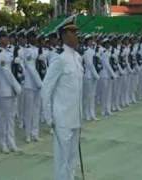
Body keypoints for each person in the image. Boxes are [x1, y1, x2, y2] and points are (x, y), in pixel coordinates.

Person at [41, 15, 83, 180]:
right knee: (62, 161)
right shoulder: (59, 59)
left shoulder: (77, 58)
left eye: (76, 32)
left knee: (72, 160)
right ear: (64, 36)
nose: (76, 36)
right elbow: (46, 89)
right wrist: (49, 117)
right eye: (73, 33)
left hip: (75, 117)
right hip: (62, 119)